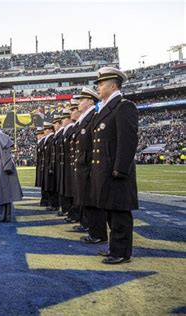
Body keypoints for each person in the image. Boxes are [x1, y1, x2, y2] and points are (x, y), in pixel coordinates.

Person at [92, 67, 138, 264]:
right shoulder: (108, 108)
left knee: (119, 213)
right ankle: (114, 248)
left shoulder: (123, 106)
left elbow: (127, 141)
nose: (98, 87)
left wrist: (120, 169)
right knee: (111, 211)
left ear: (113, 85)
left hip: (116, 171)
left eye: (101, 84)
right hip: (106, 170)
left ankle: (121, 252)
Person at [72, 87, 107, 242]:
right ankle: (93, 231)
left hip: (89, 165)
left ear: (91, 101)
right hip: (84, 165)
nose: (79, 103)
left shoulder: (93, 116)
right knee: (87, 199)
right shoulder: (87, 118)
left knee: (92, 201)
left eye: (82, 99)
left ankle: (97, 234)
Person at [41, 122, 55, 211]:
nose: (44, 131)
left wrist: (51, 166)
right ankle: (50, 203)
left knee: (50, 186)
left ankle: (53, 203)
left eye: (46, 129)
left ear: (50, 129)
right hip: (47, 165)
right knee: (48, 186)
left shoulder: (51, 139)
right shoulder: (47, 139)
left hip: (49, 165)